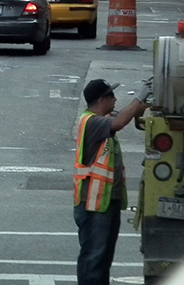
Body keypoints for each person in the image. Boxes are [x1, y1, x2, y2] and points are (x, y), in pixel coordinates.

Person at [74, 78, 151, 285]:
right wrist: (139, 96)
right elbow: (119, 121)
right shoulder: (92, 122)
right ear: (101, 100)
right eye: (112, 96)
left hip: (105, 201)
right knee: (94, 257)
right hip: (94, 204)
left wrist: (152, 99)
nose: (116, 99)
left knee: (103, 258)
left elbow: (126, 114)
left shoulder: (101, 117)